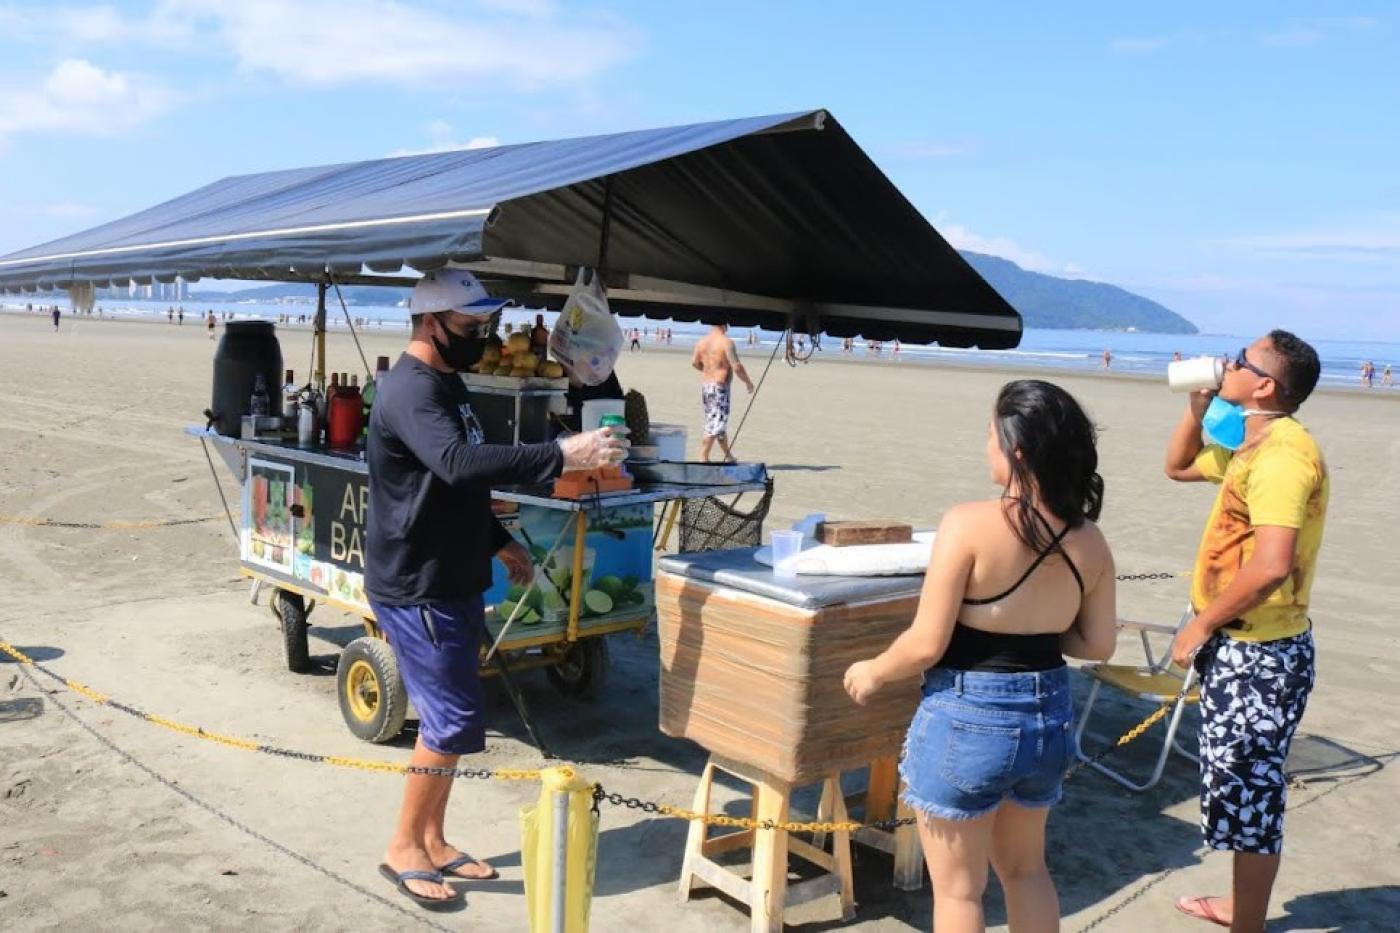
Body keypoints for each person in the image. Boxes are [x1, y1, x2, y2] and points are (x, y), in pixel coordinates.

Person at [365, 269, 624, 910]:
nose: (482, 335)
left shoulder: (446, 385)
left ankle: (432, 836)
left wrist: (498, 542)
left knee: (453, 720)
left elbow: (452, 486)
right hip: (417, 583)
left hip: (451, 572)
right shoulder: (410, 391)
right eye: (470, 325)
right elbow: (456, 464)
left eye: (486, 325)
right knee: (450, 721)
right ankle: (404, 846)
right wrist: (562, 455)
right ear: (431, 323)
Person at [845, 379, 1116, 932]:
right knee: (1026, 871)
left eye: (990, 435)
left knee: (960, 893)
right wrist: (1029, 633)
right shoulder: (1090, 540)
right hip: (1048, 714)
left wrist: (871, 671)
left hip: (968, 716)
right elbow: (1097, 644)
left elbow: (927, 643)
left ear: (1017, 449)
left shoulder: (967, 523)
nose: (984, 445)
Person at [1164, 330, 1326, 931]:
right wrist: (1198, 407)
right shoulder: (1249, 444)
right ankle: (1242, 908)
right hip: (1242, 644)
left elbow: (1272, 563)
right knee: (1234, 788)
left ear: (1263, 386)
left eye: (1240, 360)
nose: (1226, 363)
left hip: (1260, 653)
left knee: (1250, 795)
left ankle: (1248, 923)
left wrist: (1200, 625)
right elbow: (1177, 466)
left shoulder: (1284, 455)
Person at [691, 323, 754, 462]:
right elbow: (736, 366)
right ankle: (703, 456)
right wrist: (748, 382)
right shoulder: (726, 342)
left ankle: (729, 456)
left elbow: (695, 362)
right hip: (719, 387)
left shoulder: (702, 342)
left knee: (717, 422)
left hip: (707, 385)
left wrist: (709, 370)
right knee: (715, 423)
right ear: (725, 325)